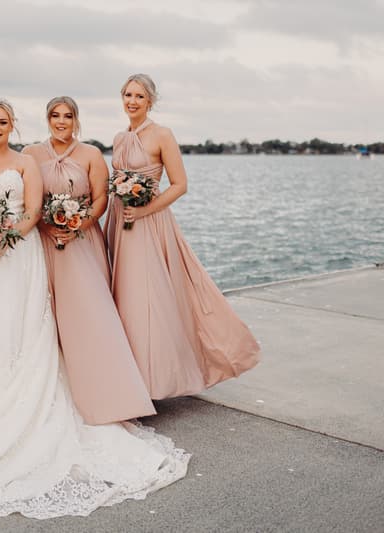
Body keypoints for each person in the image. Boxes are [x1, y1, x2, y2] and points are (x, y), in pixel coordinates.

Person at [0, 99, 189, 519]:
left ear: (13, 125)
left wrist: (4, 239)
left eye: (3, 122)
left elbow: (34, 212)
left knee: (14, 329)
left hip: (17, 256)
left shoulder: (26, 162)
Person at [105, 73, 261, 399]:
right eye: (128, 95)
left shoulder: (162, 135)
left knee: (147, 300)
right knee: (124, 298)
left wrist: (145, 211)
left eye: (139, 97)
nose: (132, 101)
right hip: (120, 223)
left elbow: (180, 185)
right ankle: (129, 377)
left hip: (149, 224)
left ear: (150, 102)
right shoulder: (119, 138)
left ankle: (154, 383)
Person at [22, 96, 154, 425]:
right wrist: (47, 226)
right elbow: (29, 201)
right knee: (45, 311)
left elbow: (100, 201)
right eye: (55, 115)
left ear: (76, 120)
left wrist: (77, 223)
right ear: (47, 119)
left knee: (88, 312)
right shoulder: (30, 154)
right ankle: (50, 388)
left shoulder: (91, 154)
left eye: (68, 116)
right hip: (45, 240)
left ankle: (107, 389)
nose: (61, 121)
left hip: (82, 240)